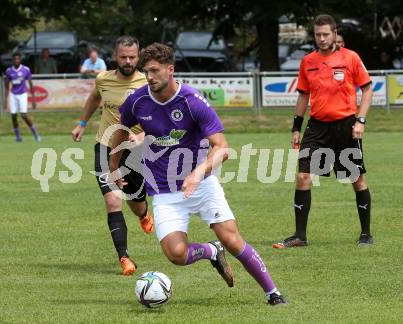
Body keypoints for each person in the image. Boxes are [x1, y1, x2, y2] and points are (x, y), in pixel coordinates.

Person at [110, 43, 286, 305]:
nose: (150, 77)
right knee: (176, 254)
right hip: (164, 190)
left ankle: (273, 293)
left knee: (232, 240)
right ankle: (211, 251)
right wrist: (115, 167)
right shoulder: (137, 101)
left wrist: (198, 173)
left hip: (202, 185)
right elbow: (121, 130)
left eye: (155, 71)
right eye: (146, 71)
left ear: (171, 69)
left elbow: (222, 147)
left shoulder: (192, 102)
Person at [273, 14, 374, 249]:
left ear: (335, 33)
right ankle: (300, 236)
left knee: (356, 179)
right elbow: (303, 95)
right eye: (318, 35)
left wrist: (360, 121)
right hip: (317, 127)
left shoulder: (350, 58)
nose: (322, 38)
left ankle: (366, 234)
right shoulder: (308, 61)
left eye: (326, 34)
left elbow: (367, 90)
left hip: (346, 126)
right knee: (303, 176)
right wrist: (296, 127)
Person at [71, 36, 154, 276]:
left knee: (135, 203)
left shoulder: (147, 82)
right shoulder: (103, 79)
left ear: (138, 57)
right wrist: (82, 123)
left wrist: (143, 135)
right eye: (123, 57)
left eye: (132, 57)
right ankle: (124, 258)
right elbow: (94, 98)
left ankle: (144, 213)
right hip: (105, 146)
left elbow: (161, 115)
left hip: (136, 150)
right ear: (115, 57)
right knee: (112, 200)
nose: (128, 61)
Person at [4, 53, 41, 142]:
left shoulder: (25, 69)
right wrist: (6, 100)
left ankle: (35, 133)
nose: (16, 61)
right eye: (15, 59)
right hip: (13, 95)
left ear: (20, 60)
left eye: (18, 59)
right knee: (13, 116)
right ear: (12, 61)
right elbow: (6, 86)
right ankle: (18, 137)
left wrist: (34, 99)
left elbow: (31, 84)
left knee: (24, 115)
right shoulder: (9, 71)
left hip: (23, 94)